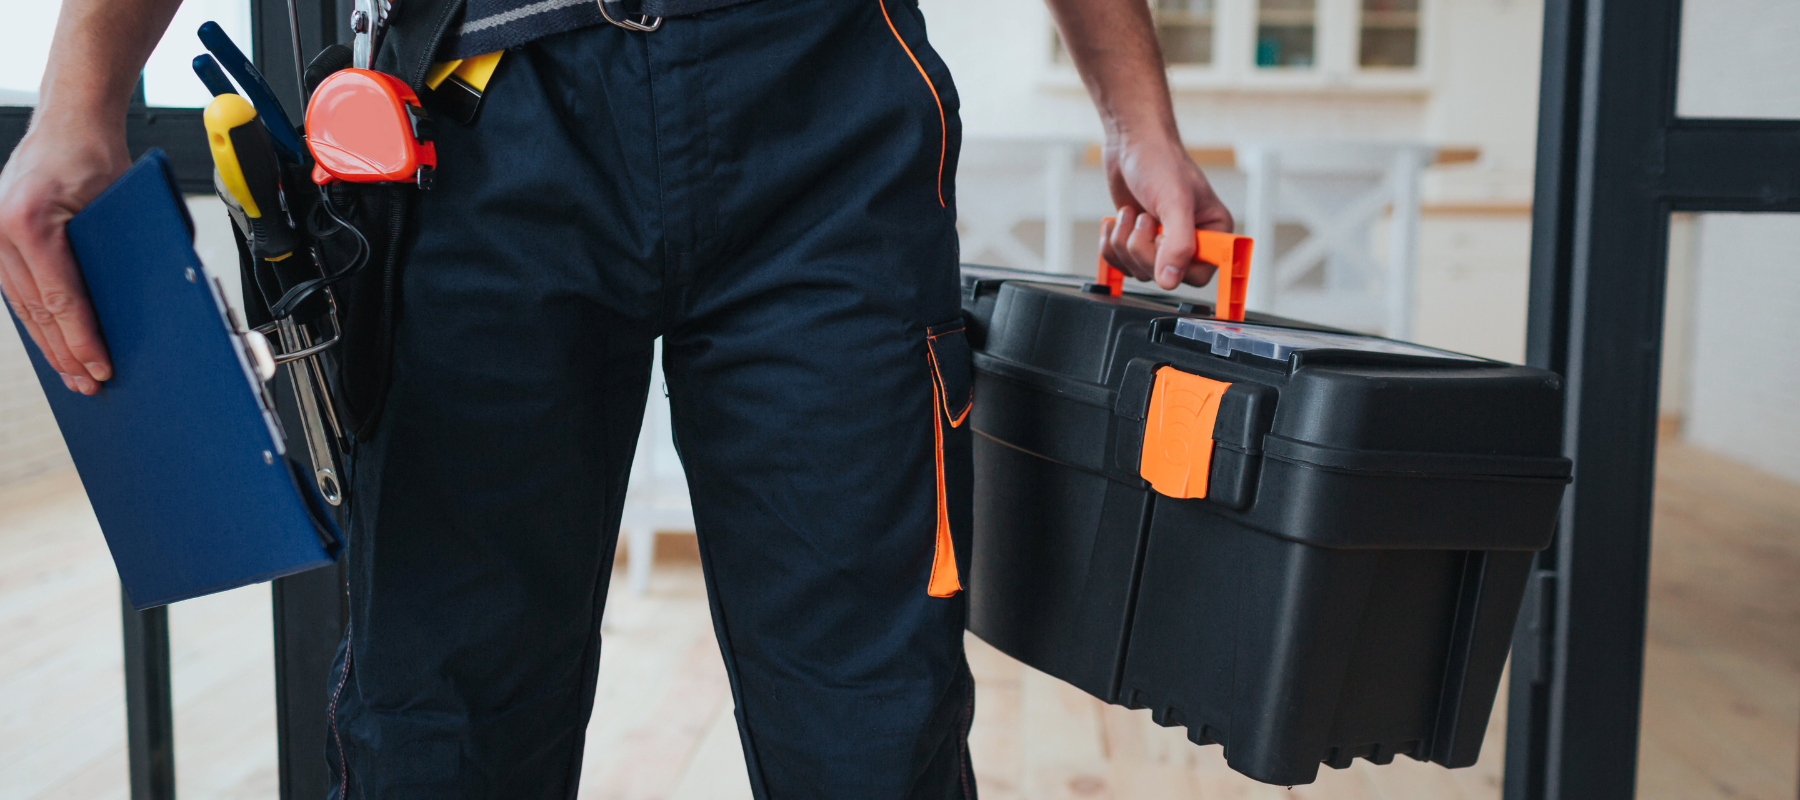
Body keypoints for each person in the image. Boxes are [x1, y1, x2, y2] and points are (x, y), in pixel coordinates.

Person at [0, 0, 1233, 795]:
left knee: (873, 724)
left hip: (823, 99)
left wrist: (1136, 117)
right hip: (478, 106)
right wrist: (79, 96)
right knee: (442, 723)